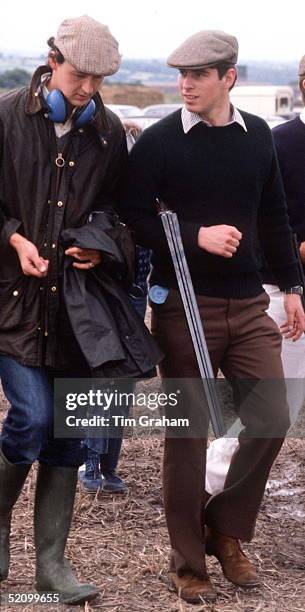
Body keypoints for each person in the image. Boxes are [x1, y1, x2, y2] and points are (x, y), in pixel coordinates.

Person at [120, 30, 305, 604]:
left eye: (199, 75)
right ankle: (188, 564)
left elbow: (274, 216)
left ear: (229, 77)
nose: (186, 84)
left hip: (251, 300)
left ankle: (224, 528)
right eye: (181, 74)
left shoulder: (257, 140)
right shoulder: (158, 141)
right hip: (182, 304)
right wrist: (195, 235)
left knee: (273, 415)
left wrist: (293, 287)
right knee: (188, 435)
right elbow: (129, 217)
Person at [0, 14, 142, 605]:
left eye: (99, 80)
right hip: (12, 304)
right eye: (80, 75)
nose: (88, 90)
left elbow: (115, 211)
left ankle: (51, 569)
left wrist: (97, 242)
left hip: (75, 314)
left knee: (65, 436)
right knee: (31, 418)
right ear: (52, 58)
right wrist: (13, 237)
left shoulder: (108, 131)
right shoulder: (5, 116)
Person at [205, 54, 305, 497]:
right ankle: (212, 484)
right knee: (270, 403)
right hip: (285, 293)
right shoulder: (279, 142)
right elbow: (258, 222)